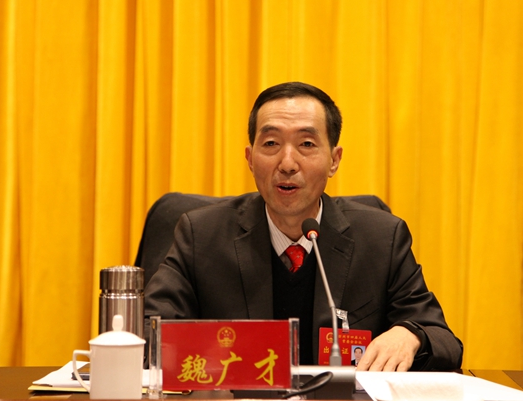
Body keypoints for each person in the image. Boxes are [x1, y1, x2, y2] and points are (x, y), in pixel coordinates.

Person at [144, 81, 463, 371]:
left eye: (307, 144)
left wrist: (410, 334)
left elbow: (444, 341)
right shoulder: (202, 235)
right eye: (271, 143)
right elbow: (149, 330)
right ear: (250, 159)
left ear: (334, 160)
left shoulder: (381, 238)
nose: (287, 163)